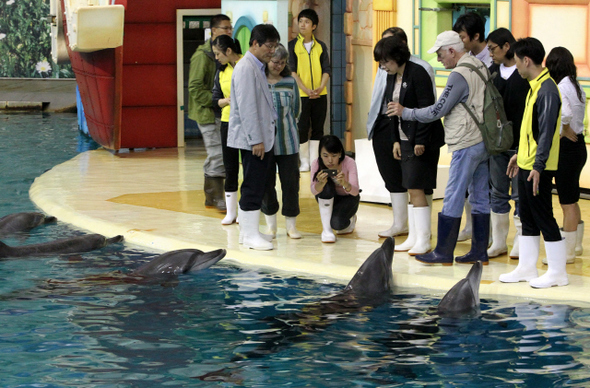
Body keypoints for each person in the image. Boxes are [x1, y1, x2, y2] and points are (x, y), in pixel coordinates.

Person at [390, 30, 490, 266]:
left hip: (466, 142)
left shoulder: (459, 74)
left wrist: (407, 112)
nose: (438, 59)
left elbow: (437, 111)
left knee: (454, 194)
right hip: (484, 141)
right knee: (480, 197)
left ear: (452, 51)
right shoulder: (480, 66)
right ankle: (479, 252)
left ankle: (444, 251)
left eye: (440, 54)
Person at [499, 37, 567, 288]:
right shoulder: (535, 86)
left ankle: (558, 272)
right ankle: (527, 268)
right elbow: (532, 130)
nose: (516, 67)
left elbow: (547, 132)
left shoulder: (547, 88)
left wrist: (538, 165)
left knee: (543, 216)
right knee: (527, 217)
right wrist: (520, 154)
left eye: (517, 62)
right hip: (527, 163)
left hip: (538, 168)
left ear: (526, 60)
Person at [373, 36, 444, 255]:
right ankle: (414, 236)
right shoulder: (392, 76)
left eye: (385, 61)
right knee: (410, 187)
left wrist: (420, 140)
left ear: (396, 57)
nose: (382, 67)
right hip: (404, 139)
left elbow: (427, 109)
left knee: (416, 187)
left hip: (421, 140)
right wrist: (395, 139)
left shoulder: (417, 72)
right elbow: (392, 109)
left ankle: (423, 239)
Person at [228, 24, 281, 251]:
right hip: (253, 140)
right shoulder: (245, 68)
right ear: (255, 43)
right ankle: (249, 235)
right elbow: (247, 107)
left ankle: (248, 232)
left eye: (275, 46)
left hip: (259, 138)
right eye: (269, 46)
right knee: (253, 184)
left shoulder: (256, 66)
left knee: (257, 183)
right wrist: (256, 140)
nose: (272, 51)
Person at [485, 28, 530, 259]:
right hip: (497, 143)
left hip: (520, 143)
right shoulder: (492, 72)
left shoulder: (524, 73)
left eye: (493, 49)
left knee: (520, 194)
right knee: (498, 191)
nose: (490, 53)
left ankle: (521, 241)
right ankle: (499, 241)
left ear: (506, 46)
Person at [544, 46, 587, 264]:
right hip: (579, 147)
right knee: (572, 197)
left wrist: (561, 131)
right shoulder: (576, 85)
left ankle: (568, 253)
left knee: (566, 201)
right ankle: (576, 246)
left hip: (567, 149)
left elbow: (565, 115)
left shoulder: (560, 86)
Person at [188, 14, 234, 212]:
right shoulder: (202, 56)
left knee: (221, 153)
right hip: (208, 113)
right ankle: (217, 197)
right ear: (214, 31)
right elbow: (195, 88)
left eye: (230, 28)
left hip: (223, 113)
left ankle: (211, 195)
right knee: (217, 154)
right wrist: (216, 101)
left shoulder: (228, 54)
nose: (229, 31)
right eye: (225, 28)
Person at [453, 12, 492, 240]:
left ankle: (487, 234)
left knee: (486, 187)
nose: (460, 42)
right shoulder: (464, 59)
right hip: (468, 132)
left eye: (463, 37)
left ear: (476, 36)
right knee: (469, 184)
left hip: (487, 132)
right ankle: (471, 227)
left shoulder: (491, 60)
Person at [261, 44, 302, 239]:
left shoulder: (290, 82)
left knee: (291, 183)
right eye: (274, 62)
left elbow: (296, 110)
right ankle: (271, 226)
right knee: (266, 183)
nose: (278, 66)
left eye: (282, 62)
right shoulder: (259, 81)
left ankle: (291, 225)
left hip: (289, 141)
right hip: (266, 143)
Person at [288, 8, 331, 172]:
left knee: (318, 127)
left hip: (321, 94)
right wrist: (305, 89)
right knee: (302, 127)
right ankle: (304, 161)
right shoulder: (292, 46)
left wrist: (320, 87)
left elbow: (326, 69)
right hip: (301, 95)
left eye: (306, 22)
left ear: (314, 26)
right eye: (300, 22)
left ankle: (314, 161)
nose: (302, 25)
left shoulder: (321, 46)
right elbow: (292, 71)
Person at [211, 35, 243, 225]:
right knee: (230, 168)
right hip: (227, 122)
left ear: (229, 51)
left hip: (246, 122)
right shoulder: (220, 72)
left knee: (249, 165)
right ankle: (231, 212)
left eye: (218, 53)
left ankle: (247, 209)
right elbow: (215, 100)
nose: (216, 58)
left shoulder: (246, 65)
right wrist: (226, 101)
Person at [311, 135, 360, 243]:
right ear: (320, 154)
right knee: (327, 187)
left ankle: (351, 219)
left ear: (340, 154)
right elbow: (314, 191)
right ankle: (326, 230)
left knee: (338, 225)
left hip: (348, 198)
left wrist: (344, 183)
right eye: (325, 155)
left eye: (334, 155)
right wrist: (320, 184)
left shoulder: (349, 162)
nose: (330, 160)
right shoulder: (316, 163)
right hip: (328, 196)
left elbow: (355, 192)